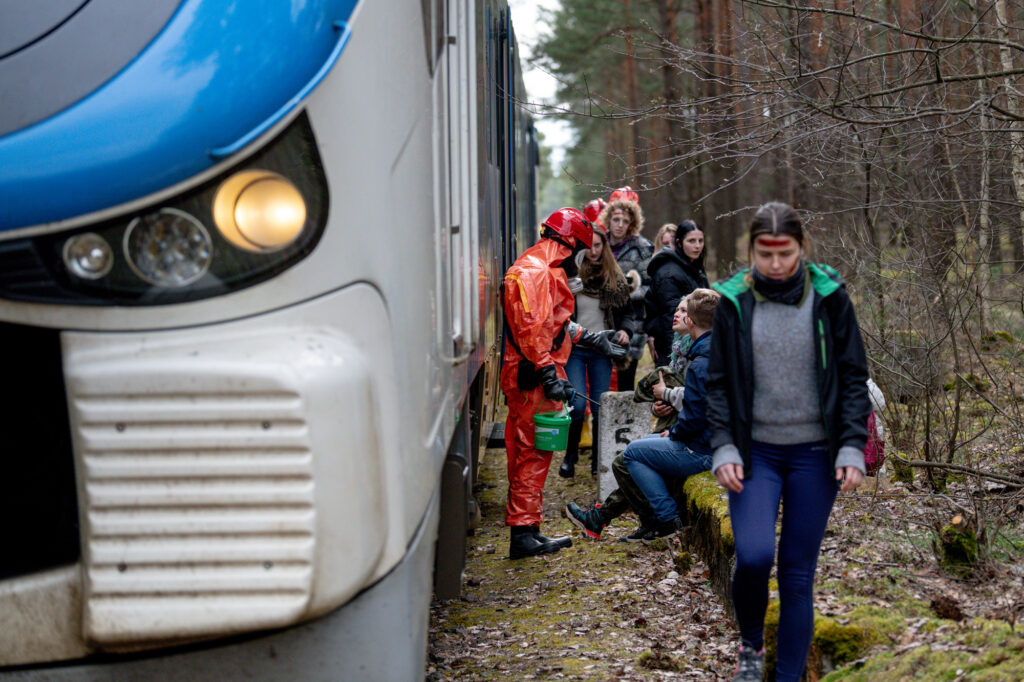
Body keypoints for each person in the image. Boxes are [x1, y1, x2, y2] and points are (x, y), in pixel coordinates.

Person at [707, 202, 870, 681]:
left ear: (802, 247)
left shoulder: (829, 297)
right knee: (755, 556)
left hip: (815, 456)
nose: (775, 264)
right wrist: (723, 447)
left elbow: (853, 375)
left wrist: (851, 444)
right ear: (752, 249)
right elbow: (718, 383)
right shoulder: (734, 302)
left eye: (786, 253)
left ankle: (789, 676)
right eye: (765, 253)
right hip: (754, 454)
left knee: (797, 573)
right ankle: (752, 647)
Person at [500, 207, 625, 560]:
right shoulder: (537, 273)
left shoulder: (543, 269)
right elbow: (532, 330)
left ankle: (529, 527)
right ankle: (523, 532)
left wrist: (589, 337)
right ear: (571, 244)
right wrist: (547, 372)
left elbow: (554, 323)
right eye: (582, 251)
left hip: (535, 374)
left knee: (535, 451)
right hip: (532, 378)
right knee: (530, 450)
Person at [565, 290, 720, 542]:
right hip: (707, 440)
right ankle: (643, 521)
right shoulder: (707, 352)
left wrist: (675, 426)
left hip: (702, 449)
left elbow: (697, 409)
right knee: (633, 454)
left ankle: (665, 520)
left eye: (684, 311)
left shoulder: (702, 359)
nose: (677, 314)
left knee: (631, 455)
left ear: (692, 320)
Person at [560, 223, 638, 478]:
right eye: (588, 245)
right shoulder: (571, 274)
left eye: (598, 245)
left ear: (604, 246)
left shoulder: (614, 276)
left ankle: (598, 459)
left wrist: (626, 330)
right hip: (574, 348)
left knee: (600, 406)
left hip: (602, 348)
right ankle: (570, 456)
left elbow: (628, 311)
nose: (593, 251)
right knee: (578, 403)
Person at [597, 196, 653, 390]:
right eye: (616, 220)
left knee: (625, 383)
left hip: (632, 324)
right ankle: (600, 421)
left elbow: (650, 287)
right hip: (599, 322)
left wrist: (627, 292)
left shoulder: (642, 249)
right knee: (600, 382)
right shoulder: (598, 243)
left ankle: (625, 421)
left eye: (625, 221)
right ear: (608, 219)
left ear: (632, 224)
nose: (620, 225)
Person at [645, 220, 708, 367]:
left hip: (694, 344)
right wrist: (675, 357)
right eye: (691, 241)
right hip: (675, 351)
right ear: (679, 242)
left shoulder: (695, 268)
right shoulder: (669, 273)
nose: (697, 245)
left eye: (700, 240)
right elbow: (671, 320)